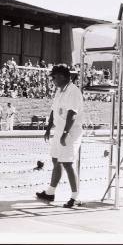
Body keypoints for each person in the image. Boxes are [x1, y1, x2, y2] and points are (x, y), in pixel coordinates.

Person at [36, 64, 84, 208]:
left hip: (71, 131)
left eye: (54, 77)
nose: (53, 80)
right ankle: (51, 192)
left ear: (63, 77)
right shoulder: (59, 91)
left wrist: (65, 134)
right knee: (56, 160)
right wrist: (49, 127)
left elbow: (72, 114)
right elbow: (53, 110)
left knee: (68, 163)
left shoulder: (73, 91)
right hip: (59, 130)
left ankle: (75, 197)